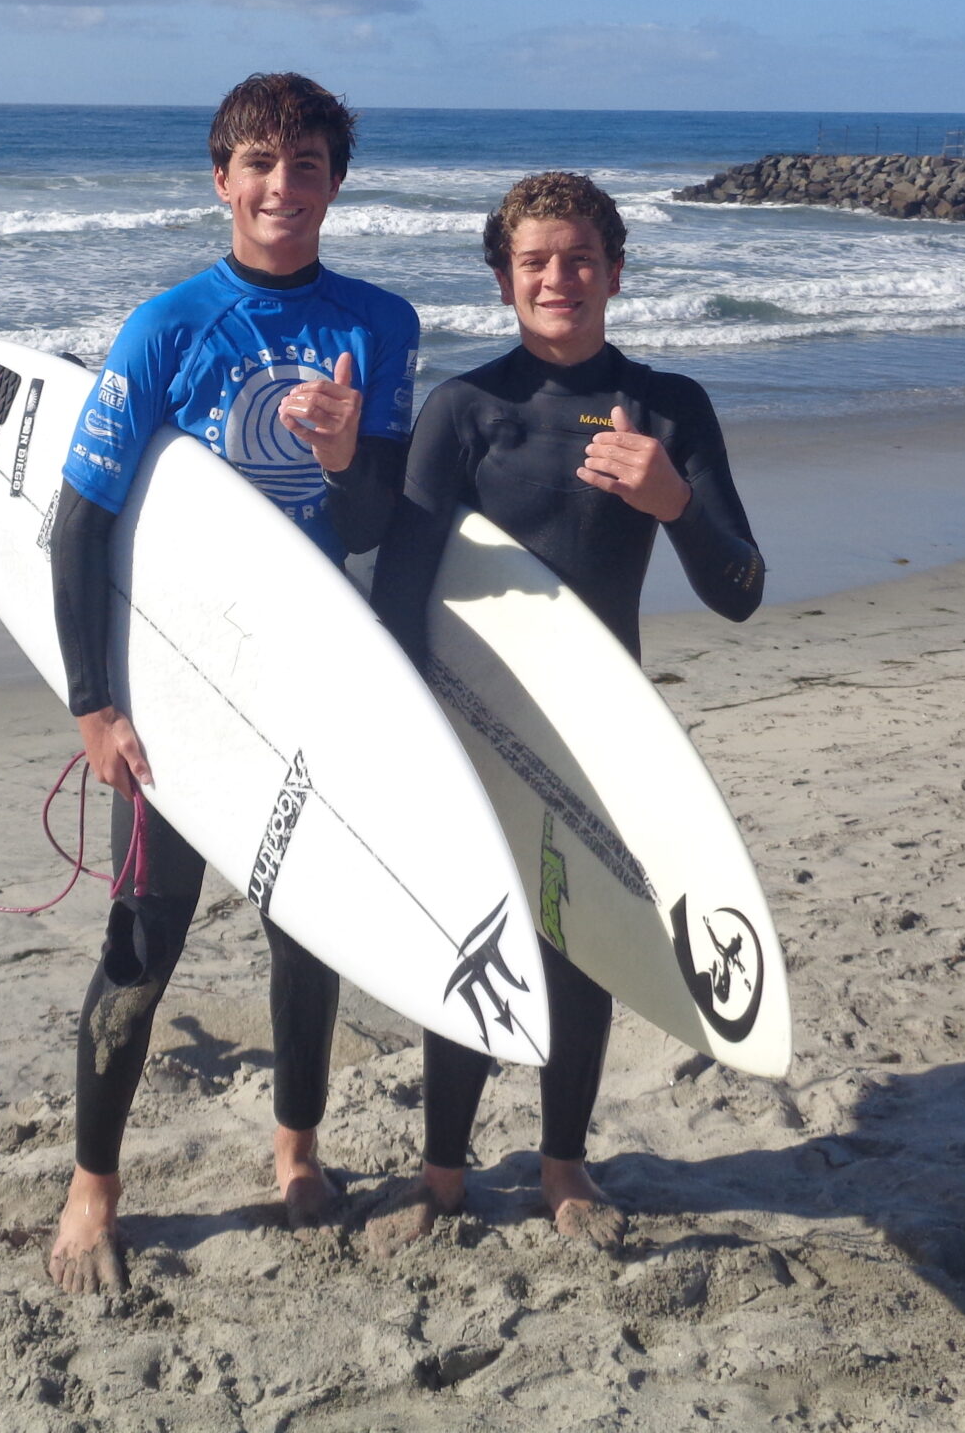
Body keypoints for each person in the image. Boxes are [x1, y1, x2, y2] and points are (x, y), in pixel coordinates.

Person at [45, 72, 419, 1294]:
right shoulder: (166, 327)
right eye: (258, 163)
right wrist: (94, 704)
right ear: (221, 179)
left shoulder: (381, 324)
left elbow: (369, 525)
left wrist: (342, 451)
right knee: (143, 943)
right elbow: (76, 526)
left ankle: (295, 1151)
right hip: (179, 689)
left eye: (305, 165)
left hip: (307, 682)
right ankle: (94, 1185)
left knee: (304, 938)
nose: (281, 186)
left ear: (333, 185)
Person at [367, 171, 763, 1253]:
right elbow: (398, 590)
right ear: (503, 280)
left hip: (603, 726)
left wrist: (670, 501)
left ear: (617, 271)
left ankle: (563, 1166)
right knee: (471, 935)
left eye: (579, 258)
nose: (559, 279)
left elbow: (739, 590)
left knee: (579, 945)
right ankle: (441, 1173)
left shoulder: (668, 408)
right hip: (474, 726)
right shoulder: (463, 411)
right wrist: (408, 739)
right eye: (534, 262)